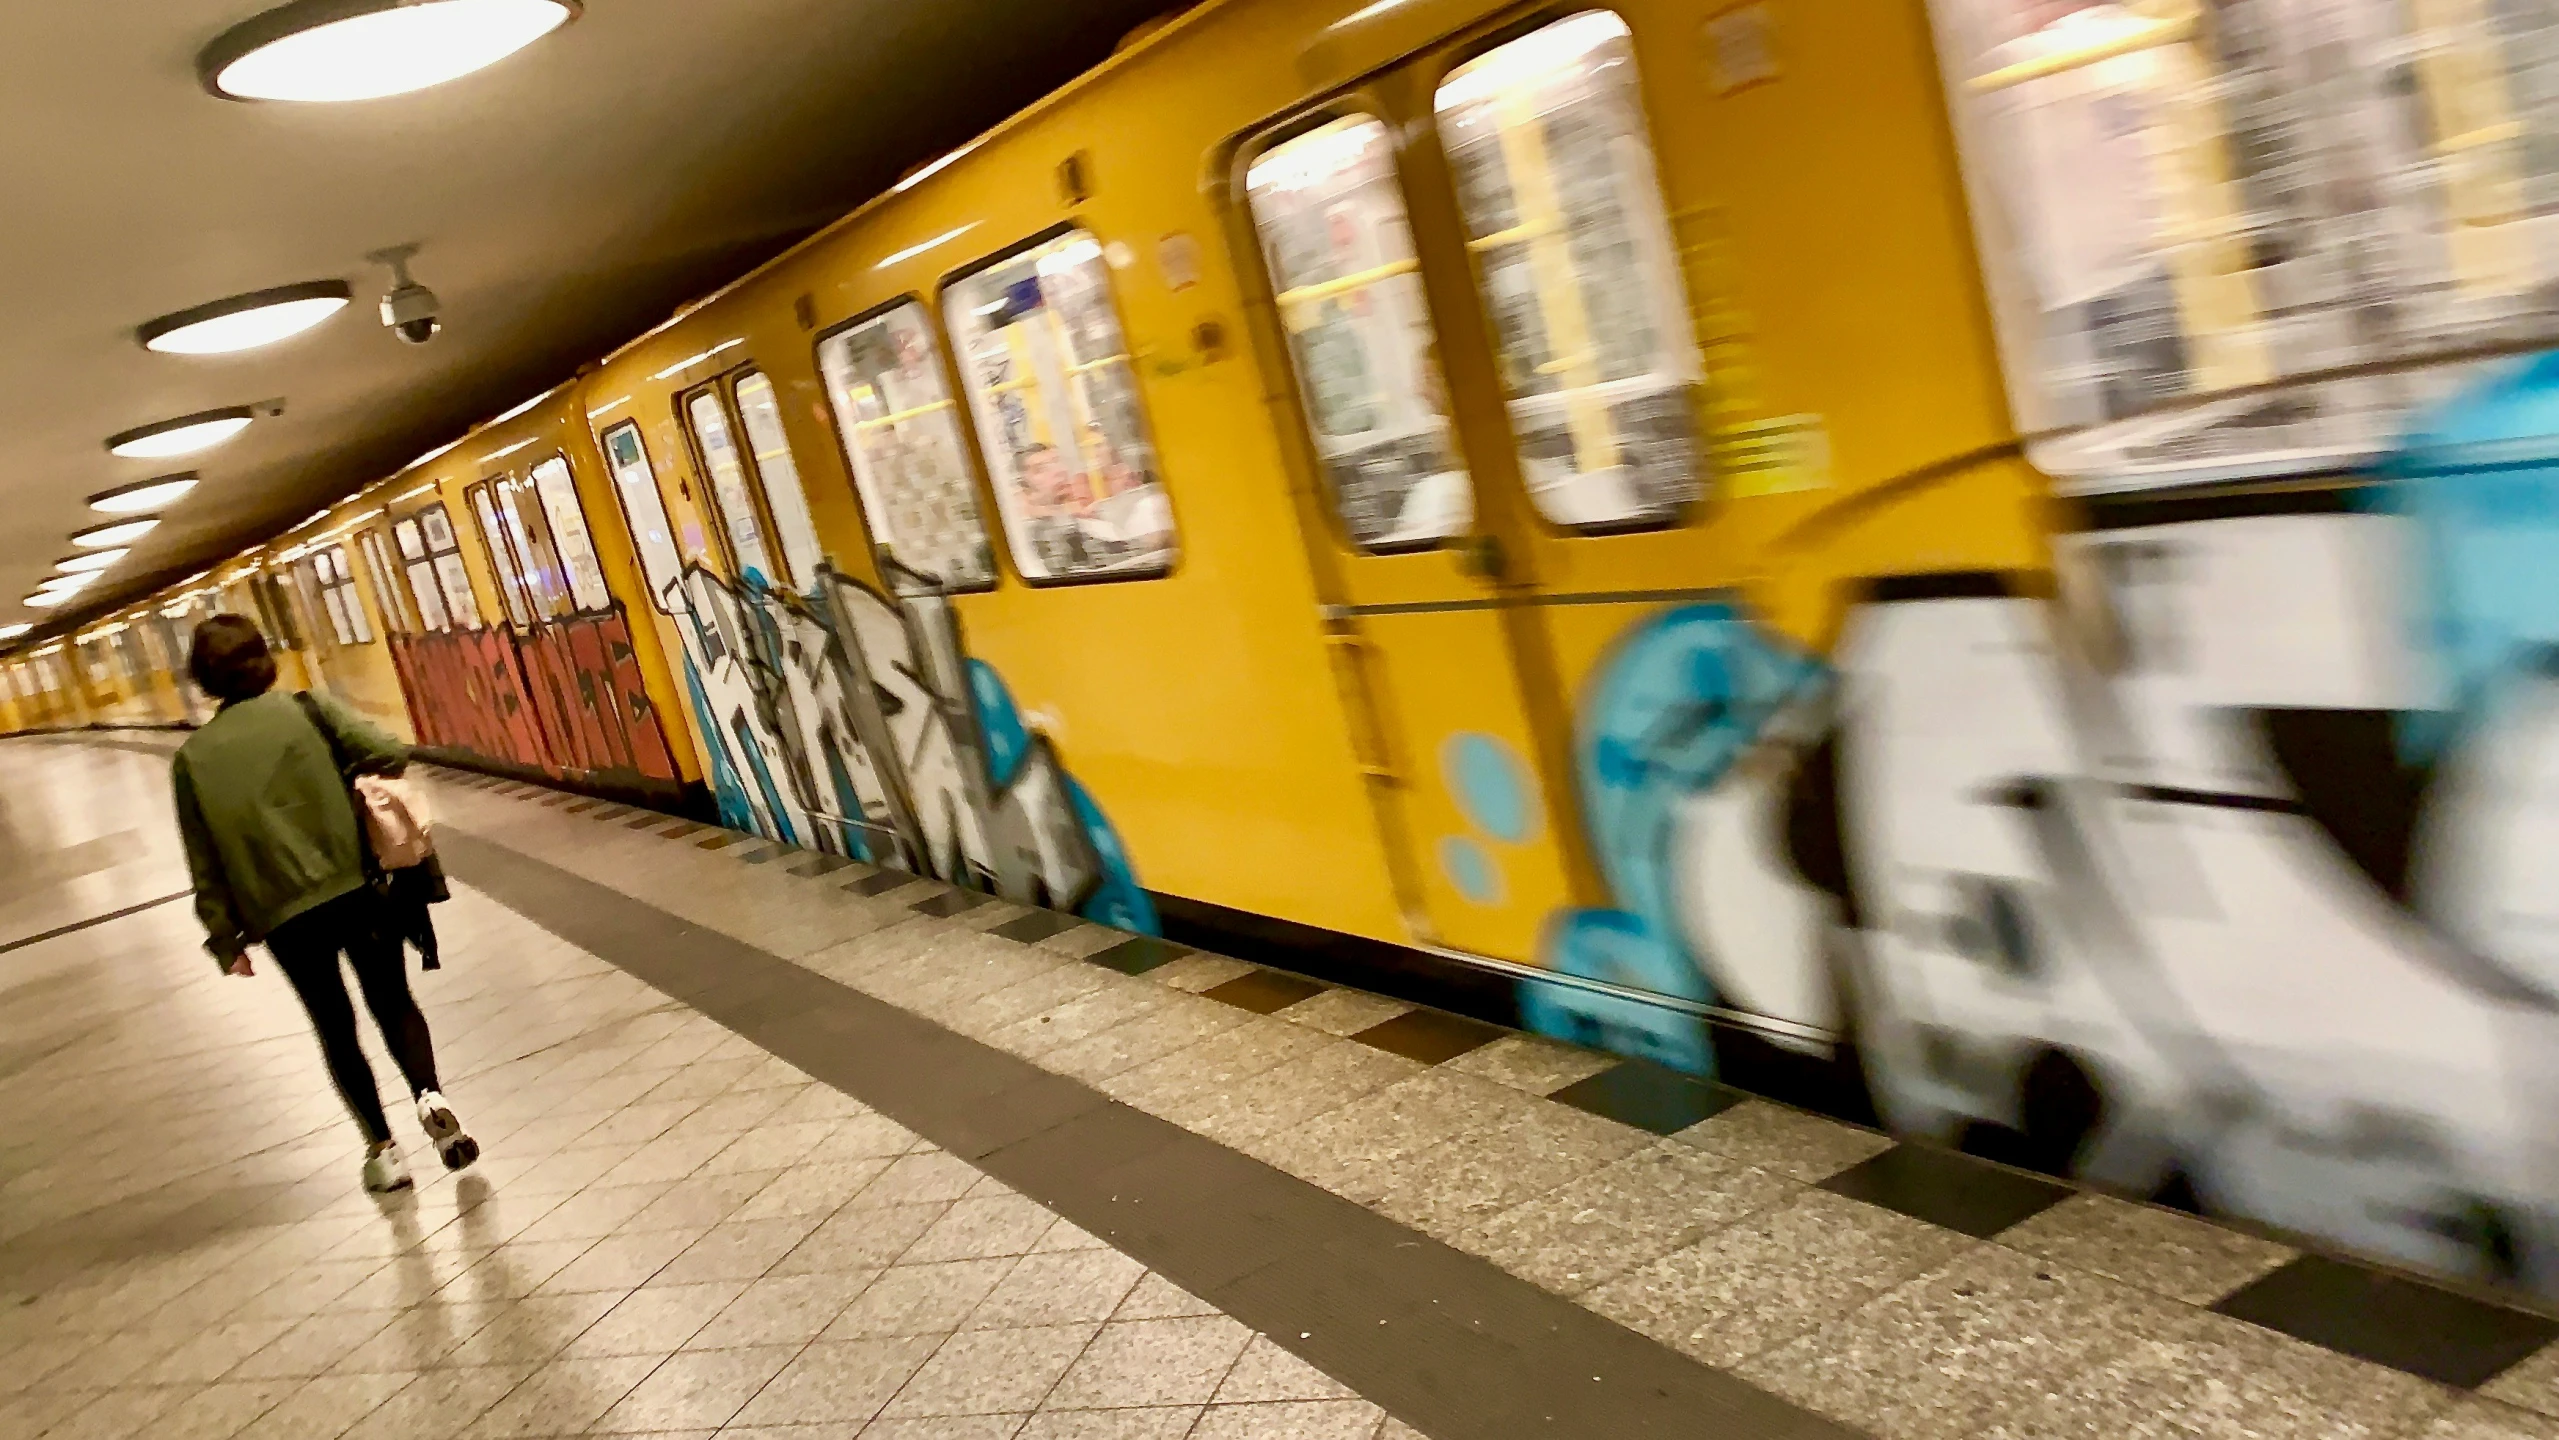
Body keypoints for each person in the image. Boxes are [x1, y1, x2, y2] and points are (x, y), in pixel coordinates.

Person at [172, 615, 476, 1193]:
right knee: (392, 999)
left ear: (204, 678)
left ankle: (384, 1152)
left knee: (334, 1025)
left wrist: (224, 939)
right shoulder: (306, 710)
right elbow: (389, 750)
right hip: (359, 891)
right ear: (265, 661)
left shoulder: (191, 760)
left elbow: (203, 860)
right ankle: (429, 1096)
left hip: (283, 918)